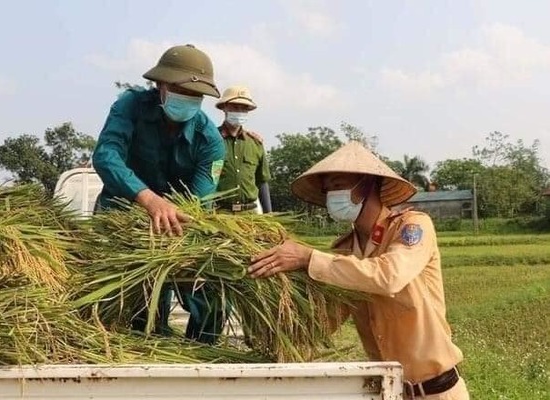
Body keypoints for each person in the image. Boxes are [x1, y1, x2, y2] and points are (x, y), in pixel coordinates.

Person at [248, 141, 470, 399]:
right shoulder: (344, 250)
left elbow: (389, 277)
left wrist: (308, 258)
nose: (332, 194)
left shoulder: (411, 227)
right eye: (328, 188)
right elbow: (328, 318)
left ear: (367, 184)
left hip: (437, 392)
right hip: (389, 391)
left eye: (339, 184)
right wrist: (270, 318)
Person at [92, 44, 227, 344]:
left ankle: (202, 358)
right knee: (137, 303)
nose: (189, 100)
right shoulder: (129, 107)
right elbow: (106, 155)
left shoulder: (211, 141)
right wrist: (147, 198)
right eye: (181, 90)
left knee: (212, 299)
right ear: (160, 86)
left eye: (196, 96)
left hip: (178, 223)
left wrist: (171, 217)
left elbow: (198, 202)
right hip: (122, 217)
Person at [214, 85, 272, 213]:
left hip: (250, 213)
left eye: (243, 108)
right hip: (220, 213)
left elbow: (262, 182)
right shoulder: (212, 140)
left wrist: (270, 215)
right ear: (224, 107)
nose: (239, 111)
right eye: (235, 107)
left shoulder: (255, 143)